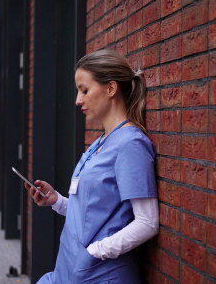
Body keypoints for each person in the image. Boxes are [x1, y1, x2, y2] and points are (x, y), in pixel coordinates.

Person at [25, 50, 159, 283]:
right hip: (68, 270)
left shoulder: (131, 144)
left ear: (111, 89)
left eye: (84, 90)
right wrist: (56, 201)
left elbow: (147, 223)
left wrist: (93, 253)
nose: (78, 100)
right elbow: (92, 212)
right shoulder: (100, 142)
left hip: (99, 274)